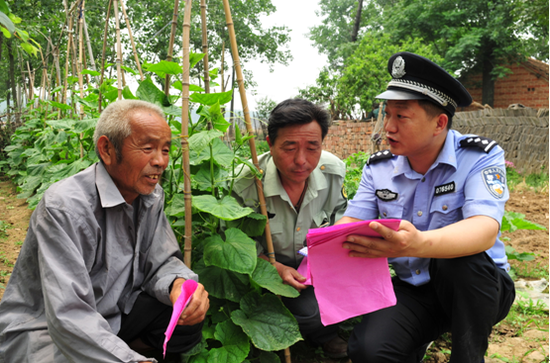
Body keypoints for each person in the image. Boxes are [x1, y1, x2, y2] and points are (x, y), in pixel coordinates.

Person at [0, 100, 210, 363]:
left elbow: (161, 260)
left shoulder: (150, 197)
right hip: (47, 330)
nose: (160, 161)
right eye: (147, 148)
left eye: (165, 150)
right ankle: (116, 352)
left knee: (183, 322)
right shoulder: (64, 207)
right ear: (107, 149)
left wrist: (178, 283)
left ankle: (115, 349)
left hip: (110, 315)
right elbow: (68, 314)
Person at [338, 52, 515, 362]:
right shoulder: (379, 169)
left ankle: (468, 356)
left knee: (457, 261)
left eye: (401, 117)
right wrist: (319, 247)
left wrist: (417, 244)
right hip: (414, 287)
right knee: (369, 350)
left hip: (477, 289)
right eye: (386, 114)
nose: (388, 127)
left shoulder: (478, 157)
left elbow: (484, 229)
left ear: (439, 123)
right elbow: (353, 220)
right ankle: (416, 338)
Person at [232, 98, 349, 358]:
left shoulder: (333, 172)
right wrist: (273, 267)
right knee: (309, 313)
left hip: (319, 270)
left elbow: (342, 219)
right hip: (266, 274)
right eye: (289, 147)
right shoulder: (247, 182)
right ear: (270, 145)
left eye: (312, 147)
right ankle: (320, 334)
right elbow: (236, 243)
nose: (301, 160)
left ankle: (323, 329)